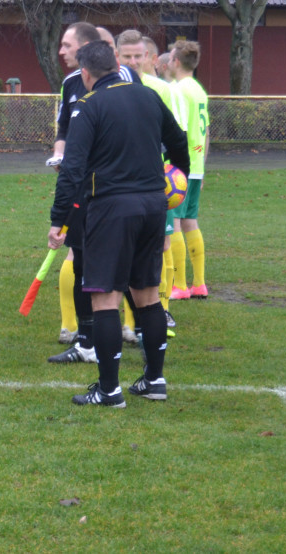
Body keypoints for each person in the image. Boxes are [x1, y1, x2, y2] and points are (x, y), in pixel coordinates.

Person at [48, 40, 189, 406]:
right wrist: (180, 179)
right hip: (153, 207)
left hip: (111, 210)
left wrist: (58, 220)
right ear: (116, 65)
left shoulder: (88, 105)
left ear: (86, 73)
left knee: (105, 298)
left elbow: (72, 170)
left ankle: (109, 389)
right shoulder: (148, 97)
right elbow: (178, 141)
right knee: (147, 296)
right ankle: (154, 380)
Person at [47, 23, 140, 365]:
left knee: (126, 267)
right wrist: (61, 156)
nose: (61, 51)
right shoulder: (70, 84)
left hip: (118, 191)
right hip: (81, 190)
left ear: (86, 49)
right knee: (81, 258)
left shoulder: (126, 80)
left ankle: (139, 329)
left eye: (67, 44)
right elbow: (65, 130)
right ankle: (85, 340)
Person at [115, 30, 185, 333]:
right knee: (120, 254)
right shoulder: (109, 88)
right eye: (126, 56)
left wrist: (174, 177)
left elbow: (174, 136)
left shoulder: (161, 89)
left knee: (159, 248)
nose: (132, 61)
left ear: (148, 58)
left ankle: (155, 314)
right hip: (118, 186)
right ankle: (125, 321)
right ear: (117, 57)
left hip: (155, 185)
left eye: (137, 56)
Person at [168, 40, 210, 300]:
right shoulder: (198, 89)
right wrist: (202, 167)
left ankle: (180, 286)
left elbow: (178, 130)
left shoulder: (179, 90)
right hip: (195, 167)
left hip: (179, 168)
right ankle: (200, 284)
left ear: (175, 62)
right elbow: (205, 133)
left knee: (172, 224)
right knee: (190, 222)